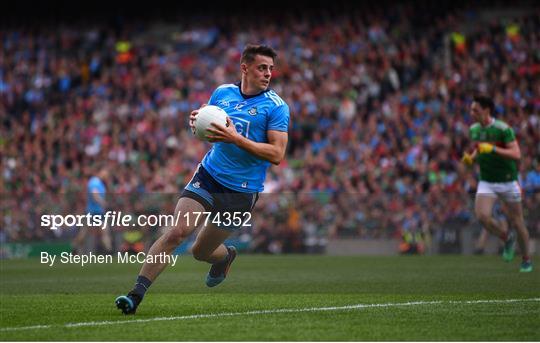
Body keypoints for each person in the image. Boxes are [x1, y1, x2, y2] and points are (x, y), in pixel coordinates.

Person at [115, 44, 290, 314]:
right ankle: (135, 294)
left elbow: (277, 154)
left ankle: (226, 257)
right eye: (262, 67)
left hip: (241, 192)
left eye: (270, 69)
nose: (268, 73)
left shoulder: (276, 107)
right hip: (209, 175)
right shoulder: (223, 93)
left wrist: (235, 138)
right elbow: (208, 119)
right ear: (245, 68)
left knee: (200, 252)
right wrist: (197, 121)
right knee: (176, 232)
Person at [461, 95, 532, 272]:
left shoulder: (503, 129)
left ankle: (526, 259)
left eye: (475, 110)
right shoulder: (474, 129)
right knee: (482, 216)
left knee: (517, 222)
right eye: (471, 109)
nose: (472, 113)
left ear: (486, 110)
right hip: (487, 181)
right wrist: (471, 158)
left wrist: (493, 149)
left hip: (508, 181)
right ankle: (507, 238)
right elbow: (479, 148)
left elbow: (516, 154)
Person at [73, 164, 112, 254]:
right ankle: (75, 247)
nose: (107, 175)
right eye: (106, 172)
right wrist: (103, 203)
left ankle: (108, 250)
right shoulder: (94, 182)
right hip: (92, 211)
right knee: (84, 233)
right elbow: (95, 195)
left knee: (104, 231)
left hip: (99, 212)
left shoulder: (100, 183)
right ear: (101, 171)